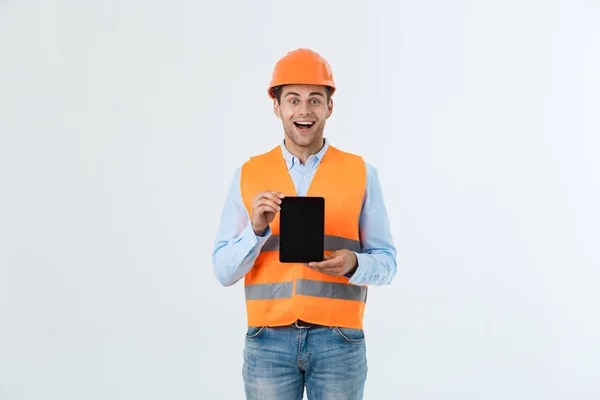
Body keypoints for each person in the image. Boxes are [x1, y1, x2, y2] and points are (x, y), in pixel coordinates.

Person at [212, 48, 397, 400]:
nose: (304, 110)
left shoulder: (361, 173)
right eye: (293, 99)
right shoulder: (248, 175)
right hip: (267, 342)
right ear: (277, 107)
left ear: (329, 107)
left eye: (315, 99)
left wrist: (354, 264)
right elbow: (223, 271)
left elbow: (388, 263)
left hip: (339, 341)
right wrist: (254, 230)